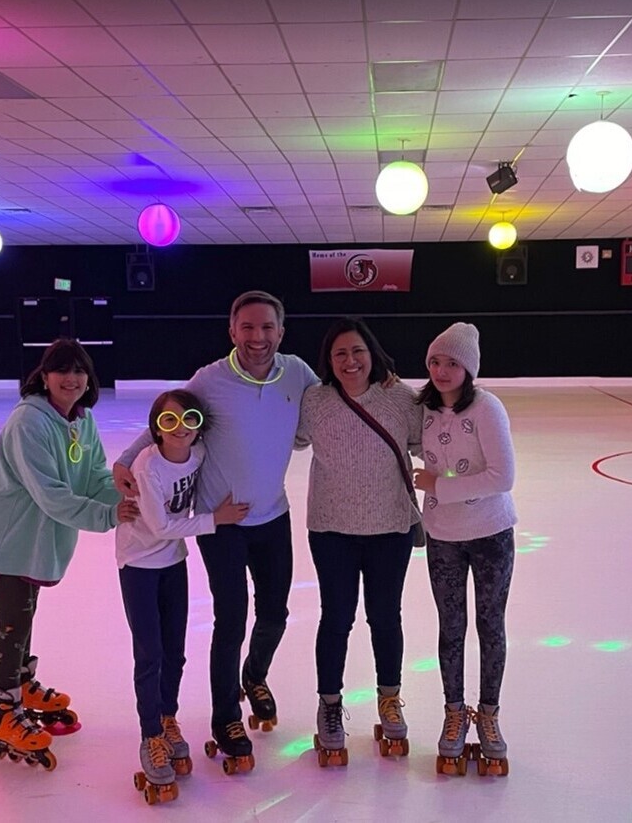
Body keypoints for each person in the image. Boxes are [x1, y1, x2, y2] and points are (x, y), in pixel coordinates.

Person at [113, 291, 319, 768]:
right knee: (231, 619)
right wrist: (125, 460)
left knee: (275, 613)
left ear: (281, 332)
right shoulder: (211, 379)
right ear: (232, 332)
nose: (257, 337)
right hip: (221, 523)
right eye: (247, 327)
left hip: (273, 516)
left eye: (267, 327)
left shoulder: (298, 373)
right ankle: (225, 714)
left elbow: (327, 411)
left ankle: (255, 675)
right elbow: (168, 416)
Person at [0, 338, 138, 771]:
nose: (71, 379)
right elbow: (52, 495)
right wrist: (109, 516)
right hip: (4, 540)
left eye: (79, 371)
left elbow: (94, 474)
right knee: (14, 622)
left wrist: (124, 493)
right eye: (61, 370)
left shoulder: (82, 420)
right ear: (44, 376)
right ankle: (3, 709)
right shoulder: (30, 423)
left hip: (33, 541)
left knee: (25, 614)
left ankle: (21, 682)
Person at [295, 317, 423, 765]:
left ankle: (389, 697)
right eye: (340, 354)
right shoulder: (315, 401)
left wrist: (455, 481)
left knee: (385, 617)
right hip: (332, 530)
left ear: (372, 352)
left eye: (357, 351)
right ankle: (330, 705)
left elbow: (434, 443)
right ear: (328, 362)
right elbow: (285, 439)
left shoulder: (400, 398)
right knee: (336, 619)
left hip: (390, 528)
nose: (350, 361)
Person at [115, 389, 248, 800]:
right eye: (168, 423)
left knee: (175, 650)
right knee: (150, 652)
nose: (180, 430)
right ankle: (150, 733)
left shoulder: (198, 454)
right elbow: (160, 528)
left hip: (173, 564)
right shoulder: (148, 467)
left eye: (188, 420)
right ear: (156, 429)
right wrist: (216, 519)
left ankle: (167, 716)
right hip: (139, 565)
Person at [412, 322, 517, 777]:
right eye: (435, 361)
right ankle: (455, 711)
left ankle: (488, 714)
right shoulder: (424, 410)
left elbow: (502, 477)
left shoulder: (488, 408)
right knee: (450, 629)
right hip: (443, 538)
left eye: (452, 362)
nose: (441, 370)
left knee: (490, 625)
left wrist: (440, 485)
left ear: (469, 368)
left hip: (491, 533)